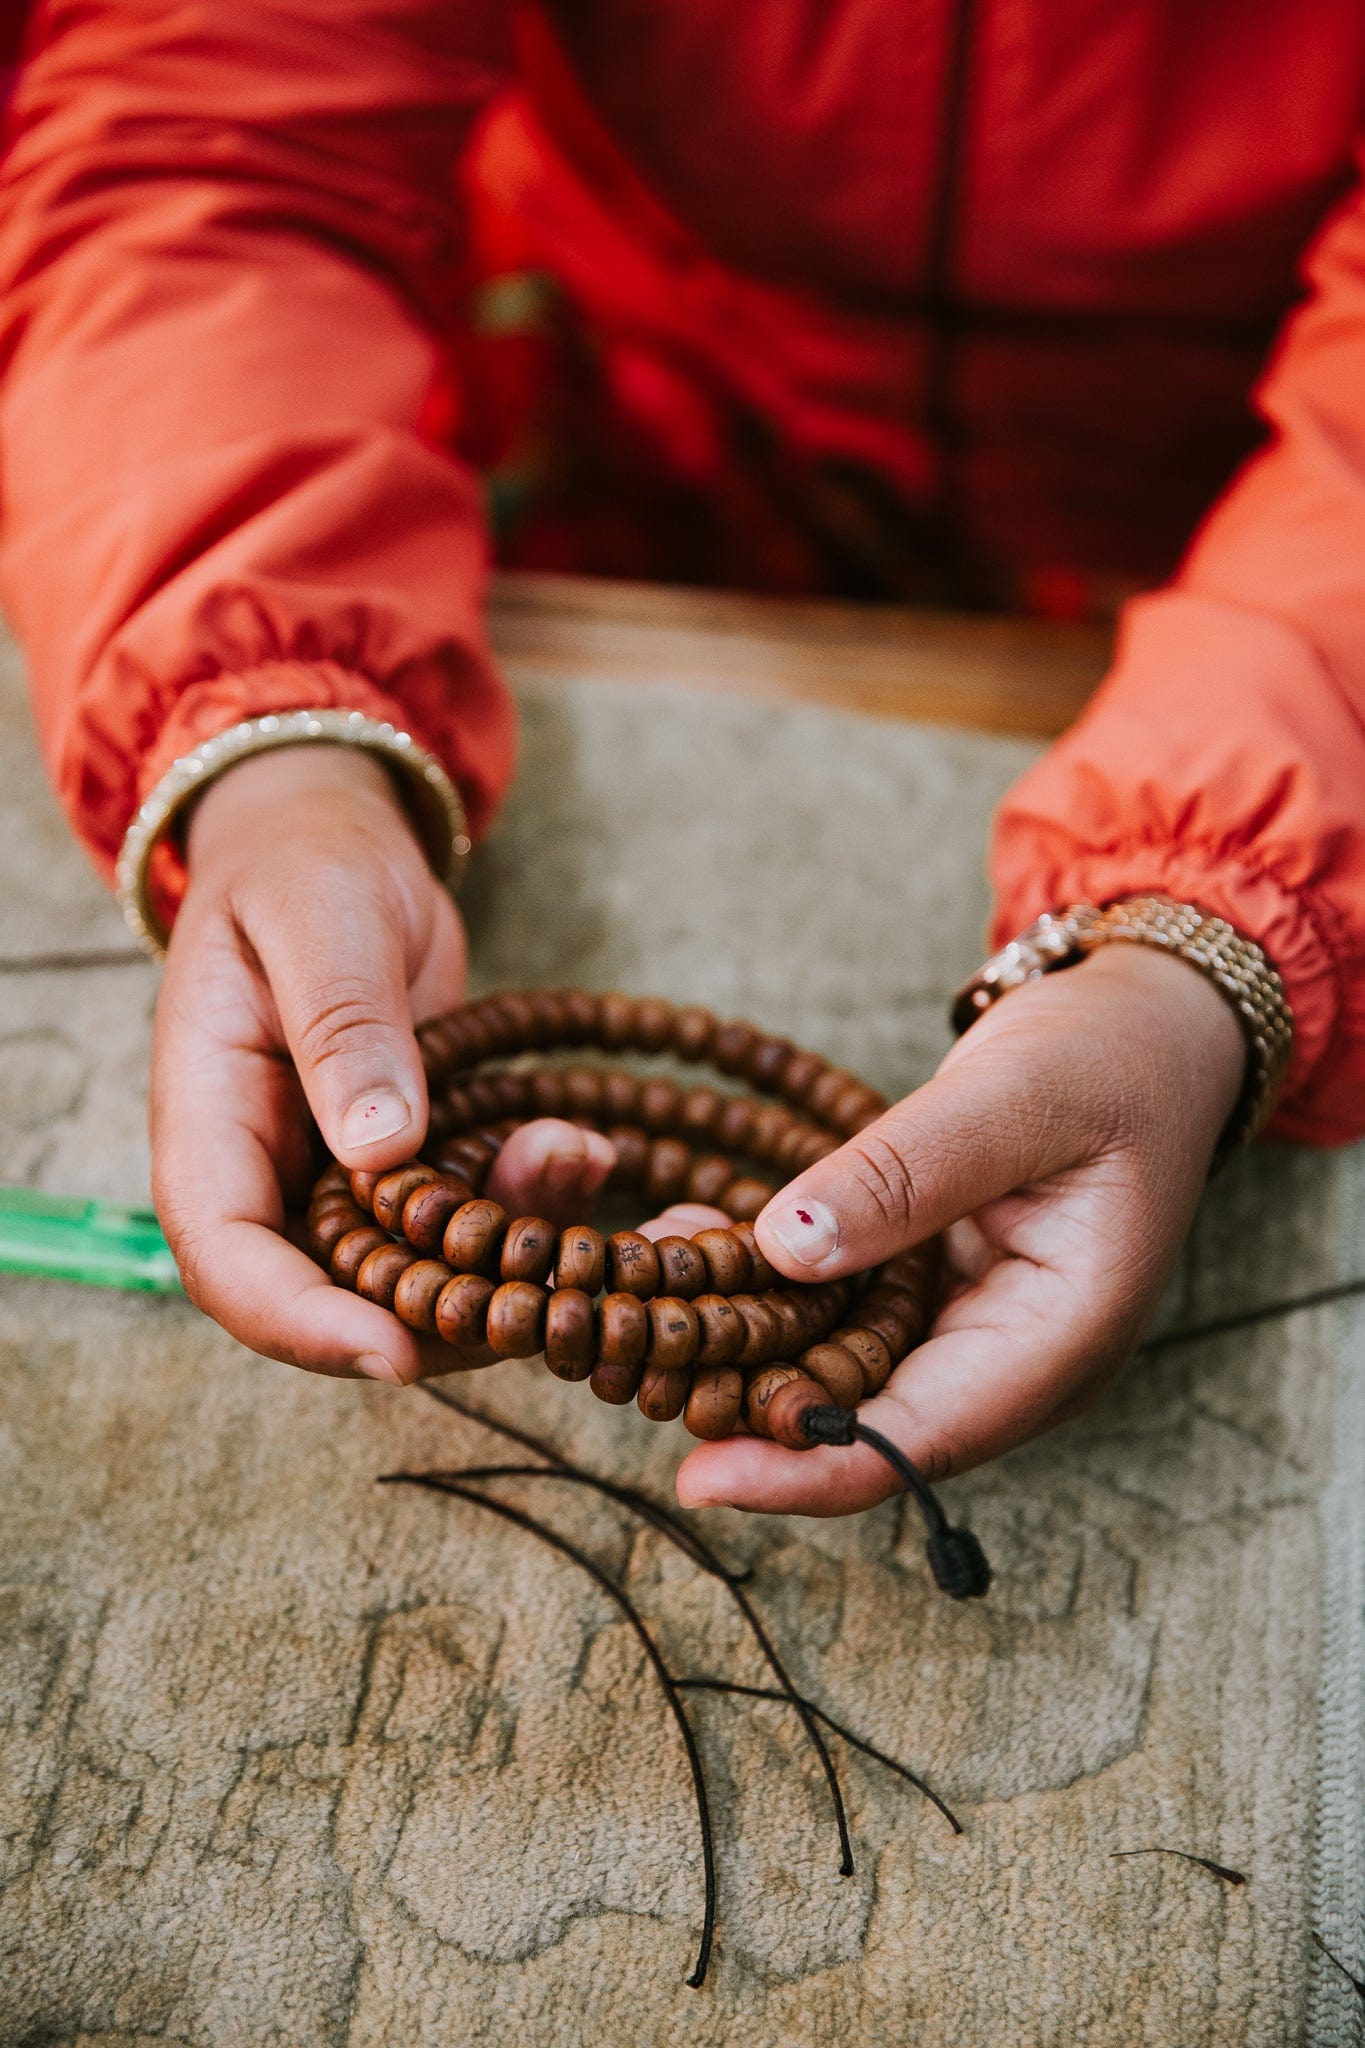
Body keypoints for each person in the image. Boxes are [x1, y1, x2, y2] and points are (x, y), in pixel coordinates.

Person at [0, 2, 1361, 1520]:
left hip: (1223, 519)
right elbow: (218, 121)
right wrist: (271, 734)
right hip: (621, 418)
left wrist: (1208, 946)